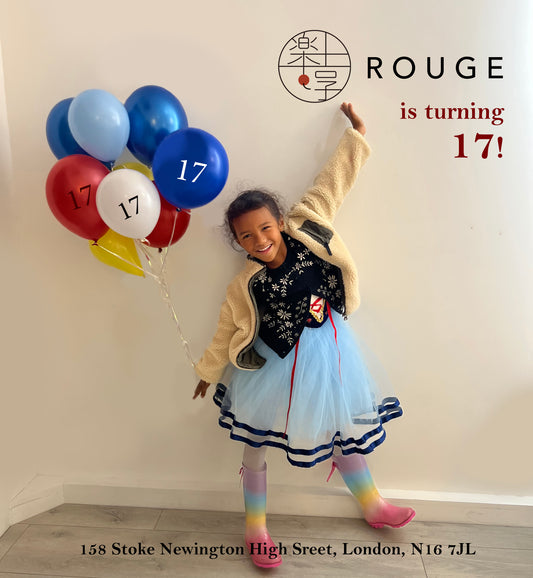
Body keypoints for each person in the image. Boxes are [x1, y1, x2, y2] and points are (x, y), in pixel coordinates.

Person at [193, 103, 415, 569]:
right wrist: (209, 370)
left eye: (265, 227)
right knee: (255, 441)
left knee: (341, 428)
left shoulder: (308, 223)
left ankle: (372, 503)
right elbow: (227, 327)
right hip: (272, 361)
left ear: (280, 221)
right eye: (247, 236)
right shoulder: (246, 283)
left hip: (328, 351)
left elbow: (332, 182)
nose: (260, 239)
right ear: (238, 242)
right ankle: (256, 527)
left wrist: (356, 136)